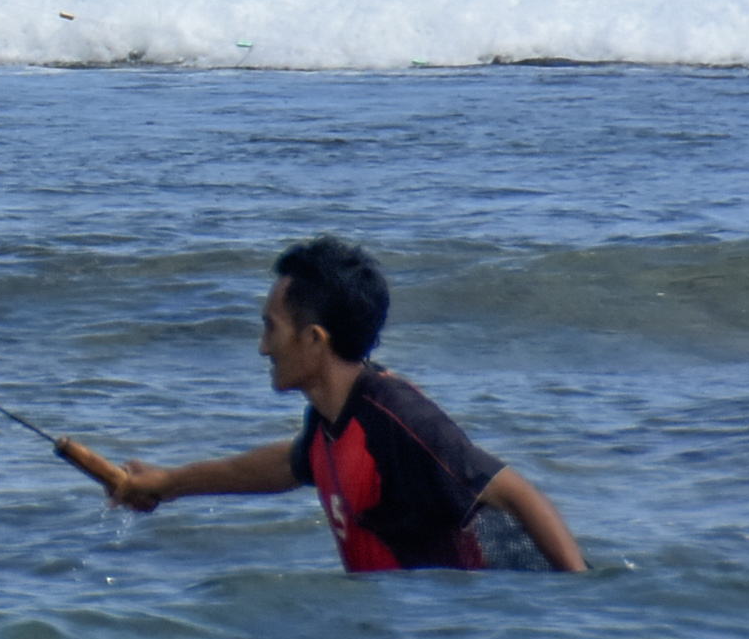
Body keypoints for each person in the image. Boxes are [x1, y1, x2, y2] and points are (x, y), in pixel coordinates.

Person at [106, 236, 587, 572]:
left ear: (314, 340)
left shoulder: (399, 418)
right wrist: (168, 484)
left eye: (271, 328)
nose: (262, 347)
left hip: (459, 635)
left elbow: (518, 494)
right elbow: (283, 465)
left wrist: (580, 600)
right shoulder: (331, 420)